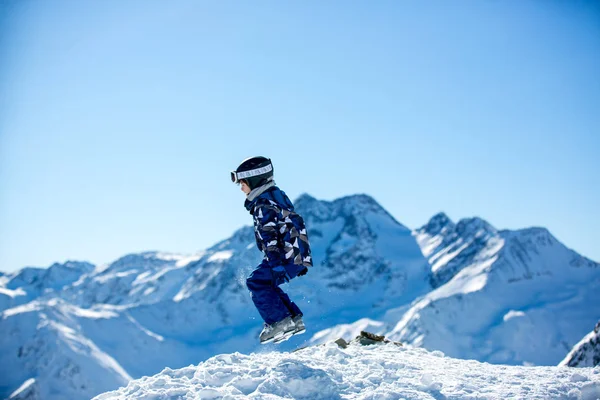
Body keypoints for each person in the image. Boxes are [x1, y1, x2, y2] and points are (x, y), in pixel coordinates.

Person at [231, 156, 312, 344]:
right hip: (296, 254)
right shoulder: (278, 197)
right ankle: (293, 319)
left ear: (253, 180)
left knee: (255, 282)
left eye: (242, 183)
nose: (241, 188)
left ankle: (279, 322)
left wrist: (275, 262)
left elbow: (269, 235)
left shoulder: (262, 204)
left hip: (283, 256)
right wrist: (300, 258)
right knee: (267, 284)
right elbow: (293, 224)